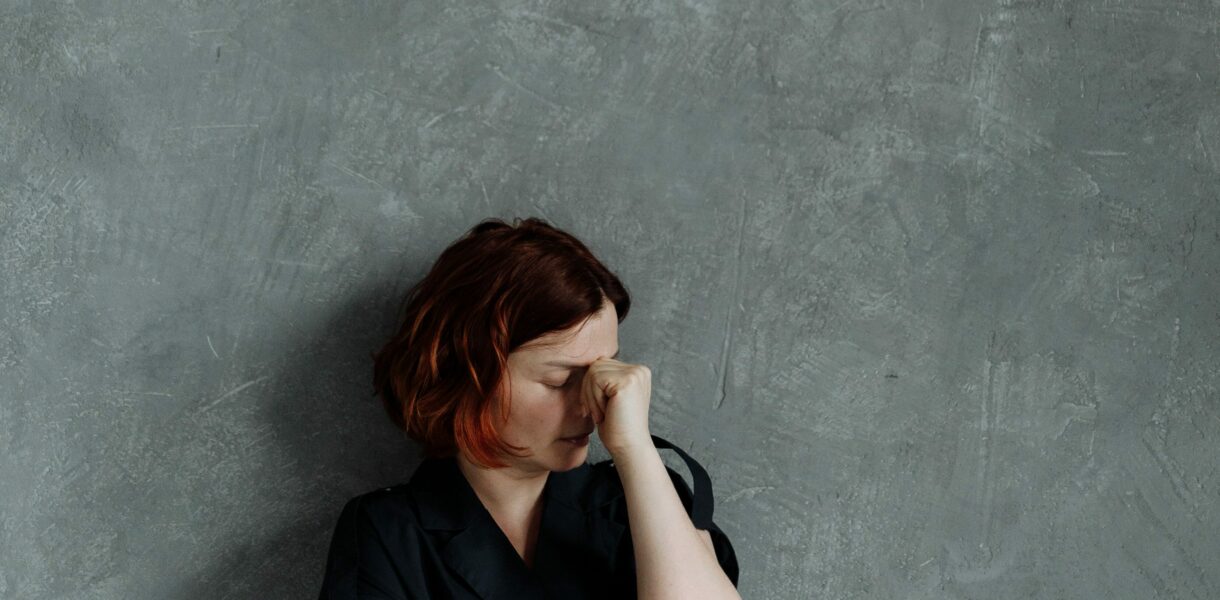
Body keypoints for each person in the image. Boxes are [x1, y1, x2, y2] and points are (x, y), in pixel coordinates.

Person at [317, 217, 740, 599]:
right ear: (470, 376)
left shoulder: (643, 498)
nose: (592, 404)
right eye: (560, 380)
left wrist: (637, 451)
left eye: (602, 373)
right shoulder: (391, 534)